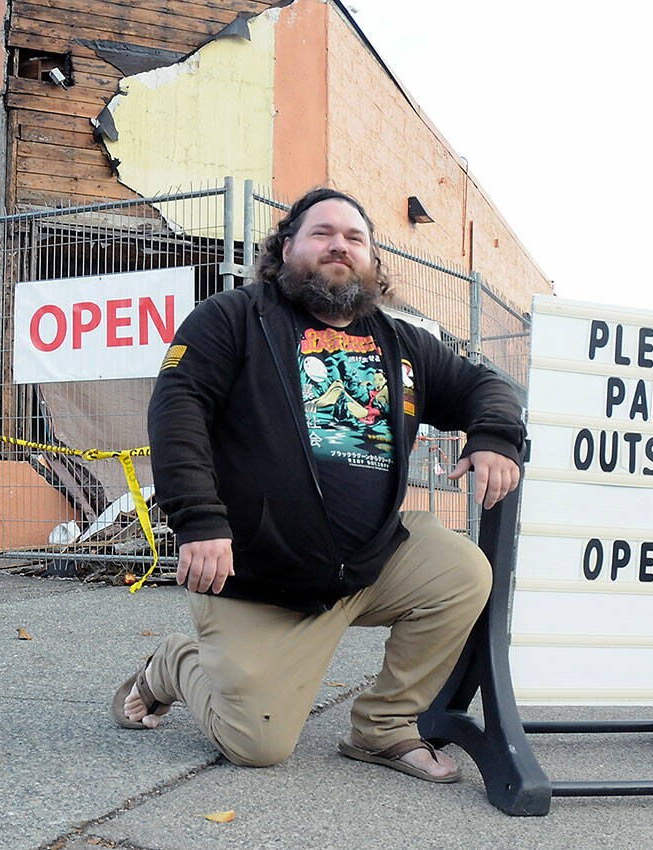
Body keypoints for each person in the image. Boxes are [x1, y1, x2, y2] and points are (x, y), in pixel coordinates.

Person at [112, 188, 524, 782]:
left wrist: (494, 436)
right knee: (256, 744)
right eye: (322, 233)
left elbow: (485, 386)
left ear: (373, 262)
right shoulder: (232, 318)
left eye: (355, 238)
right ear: (286, 249)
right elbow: (178, 409)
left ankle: (384, 728)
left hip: (371, 561)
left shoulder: (401, 343)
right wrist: (199, 520)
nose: (340, 245)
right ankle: (176, 663)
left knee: (463, 573)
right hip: (258, 579)